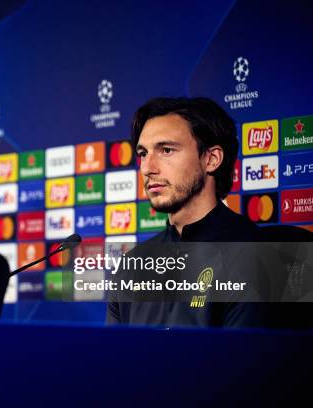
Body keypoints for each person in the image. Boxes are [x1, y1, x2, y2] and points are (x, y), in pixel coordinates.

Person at [106, 97, 272, 328]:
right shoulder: (131, 267)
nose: (147, 168)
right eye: (143, 153)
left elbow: (241, 362)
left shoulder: (257, 257)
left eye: (166, 150)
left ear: (211, 159)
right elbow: (113, 360)